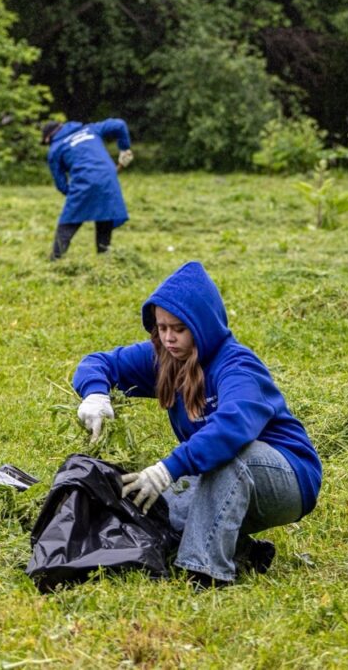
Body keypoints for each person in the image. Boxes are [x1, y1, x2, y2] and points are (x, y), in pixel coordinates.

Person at [71, 261, 322, 587]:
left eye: (179, 328)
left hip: (285, 477)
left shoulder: (238, 365)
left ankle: (206, 574)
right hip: (217, 476)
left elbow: (230, 431)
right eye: (162, 328)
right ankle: (245, 552)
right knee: (157, 510)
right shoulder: (165, 357)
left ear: (201, 325)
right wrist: (95, 395)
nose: (169, 338)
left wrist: (168, 469)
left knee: (229, 458)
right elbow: (99, 362)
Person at [42, 119, 134, 260]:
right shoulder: (90, 129)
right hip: (107, 176)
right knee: (105, 214)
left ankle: (56, 258)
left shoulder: (55, 149)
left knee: (69, 220)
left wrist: (71, 194)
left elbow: (60, 182)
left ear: (48, 138)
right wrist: (124, 148)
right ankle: (104, 257)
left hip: (84, 180)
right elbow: (119, 124)